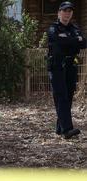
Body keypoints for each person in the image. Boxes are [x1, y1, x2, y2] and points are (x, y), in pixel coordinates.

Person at [47, 1, 86, 139]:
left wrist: (69, 39)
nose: (67, 14)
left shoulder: (74, 28)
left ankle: (59, 128)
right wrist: (75, 40)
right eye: (64, 11)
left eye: (69, 11)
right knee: (61, 96)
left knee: (68, 97)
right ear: (59, 13)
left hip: (71, 66)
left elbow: (84, 43)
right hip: (57, 66)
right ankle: (67, 130)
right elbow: (57, 40)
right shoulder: (53, 28)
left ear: (72, 14)